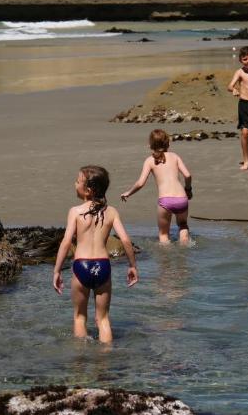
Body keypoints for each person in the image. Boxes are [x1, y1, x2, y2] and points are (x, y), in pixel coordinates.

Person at [53, 165, 138, 343]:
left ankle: (81, 363)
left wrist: (57, 271)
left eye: (77, 181)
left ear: (88, 190)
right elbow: (126, 241)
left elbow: (66, 242)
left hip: (81, 266)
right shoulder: (112, 212)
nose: (74, 183)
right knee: (103, 319)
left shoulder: (75, 212)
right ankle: (105, 361)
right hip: (103, 266)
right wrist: (132, 266)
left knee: (79, 317)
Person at [120, 129, 193, 244]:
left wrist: (129, 192)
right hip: (181, 198)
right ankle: (183, 253)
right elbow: (188, 175)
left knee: (163, 235)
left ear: (150, 145)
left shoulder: (149, 161)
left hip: (165, 201)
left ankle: (165, 261)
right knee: (183, 225)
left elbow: (140, 183)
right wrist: (188, 189)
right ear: (168, 143)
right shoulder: (174, 156)